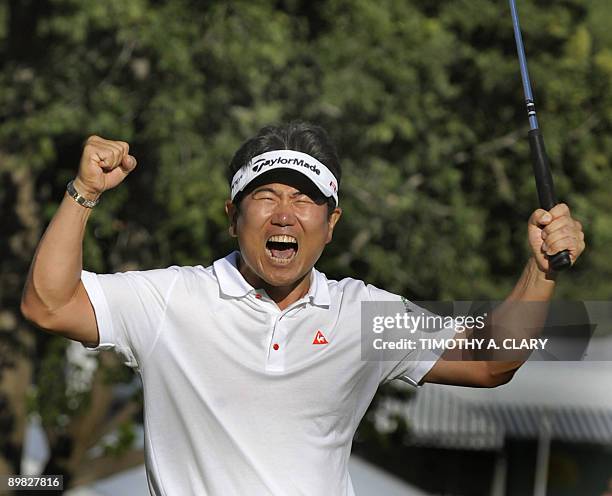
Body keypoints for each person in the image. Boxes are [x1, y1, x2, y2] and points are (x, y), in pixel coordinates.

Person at [21, 122, 585, 495]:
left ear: (331, 223)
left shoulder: (360, 315)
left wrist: (538, 272)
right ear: (232, 215)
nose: (285, 214)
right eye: (266, 196)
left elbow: (491, 361)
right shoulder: (173, 298)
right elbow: (49, 304)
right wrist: (83, 193)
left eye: (305, 199)